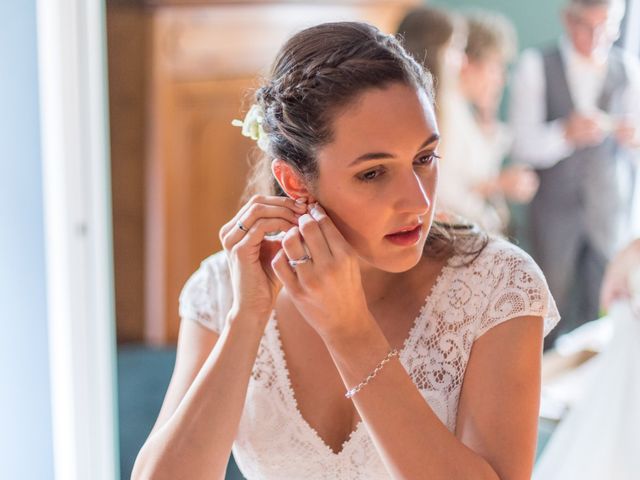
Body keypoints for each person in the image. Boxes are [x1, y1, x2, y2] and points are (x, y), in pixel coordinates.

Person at [132, 22, 559, 480]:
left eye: (424, 158)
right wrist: (246, 319)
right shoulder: (223, 289)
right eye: (374, 173)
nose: (418, 201)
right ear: (295, 181)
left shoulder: (497, 287)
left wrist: (351, 331)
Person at [509, 0, 640, 349]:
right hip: (554, 214)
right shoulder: (536, 65)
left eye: (607, 27)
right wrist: (564, 133)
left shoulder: (628, 71)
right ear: (567, 20)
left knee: (605, 308)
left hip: (608, 211)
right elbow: (523, 144)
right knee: (549, 308)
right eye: (587, 26)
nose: (597, 37)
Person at [399, 8, 538, 234]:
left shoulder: (462, 109)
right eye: (495, 66)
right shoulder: (443, 109)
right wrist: (497, 186)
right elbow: (444, 188)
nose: (500, 78)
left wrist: (487, 115)